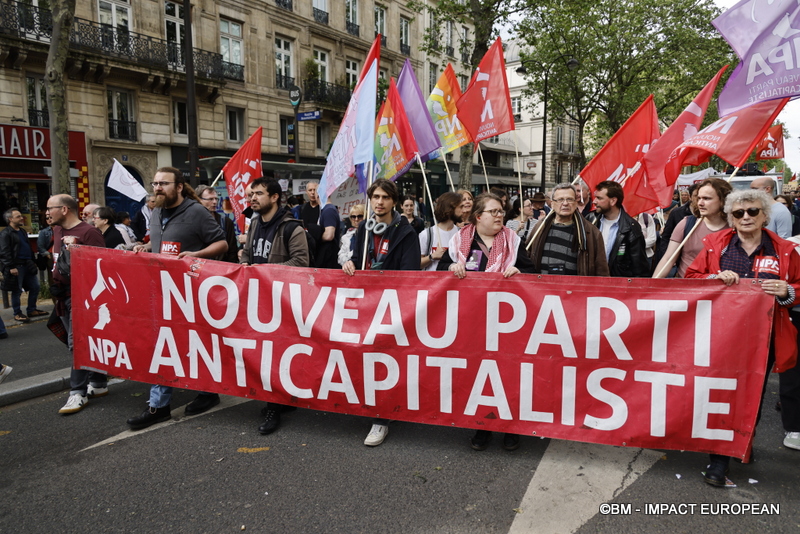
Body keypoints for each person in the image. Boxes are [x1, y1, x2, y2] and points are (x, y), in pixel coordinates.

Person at [685, 189, 800, 485]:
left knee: (752, 394)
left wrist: (787, 292)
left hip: (767, 336)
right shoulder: (717, 246)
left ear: (764, 216)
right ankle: (719, 458)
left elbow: (798, 286)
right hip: (722, 334)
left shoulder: (784, 250)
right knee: (722, 392)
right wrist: (714, 278)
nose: (746, 217)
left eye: (752, 212)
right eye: (738, 213)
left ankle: (740, 445)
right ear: (731, 218)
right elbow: (691, 279)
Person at [126, 167, 228, 430]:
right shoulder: (157, 212)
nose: (157, 188)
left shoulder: (196, 212)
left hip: (191, 294)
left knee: (196, 345)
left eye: (164, 183)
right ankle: (159, 406)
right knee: (164, 347)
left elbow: (222, 244)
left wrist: (197, 254)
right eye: (155, 183)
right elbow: (161, 244)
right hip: (162, 293)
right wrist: (145, 247)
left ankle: (206, 392)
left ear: (179, 186)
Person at [438, 193, 535, 451]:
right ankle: (482, 426)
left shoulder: (514, 241)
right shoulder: (460, 241)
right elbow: (441, 270)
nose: (499, 215)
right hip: (472, 322)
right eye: (493, 211)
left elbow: (533, 273)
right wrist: (450, 268)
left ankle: (511, 428)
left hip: (507, 323)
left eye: (501, 211)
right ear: (478, 217)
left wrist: (520, 272)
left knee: (508, 375)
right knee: (479, 375)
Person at [343, 178, 421, 446]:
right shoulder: (363, 228)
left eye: (385, 197)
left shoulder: (405, 232)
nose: (379, 202)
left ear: (394, 201)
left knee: (386, 360)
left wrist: (382, 278)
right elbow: (355, 257)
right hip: (365, 303)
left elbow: (410, 274)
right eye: (375, 196)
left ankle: (382, 418)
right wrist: (351, 264)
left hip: (391, 305)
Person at [240, 177, 310, 435]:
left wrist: (265, 271)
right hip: (259, 300)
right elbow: (247, 254)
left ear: (275, 197)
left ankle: (274, 406)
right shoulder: (255, 223)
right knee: (262, 351)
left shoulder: (292, 228)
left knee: (275, 354)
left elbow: (302, 264)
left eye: (258, 193)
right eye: (251, 194)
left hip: (283, 302)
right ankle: (280, 399)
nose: (252, 198)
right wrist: (247, 266)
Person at [47, 195, 106, 414]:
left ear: (64, 209)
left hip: (82, 298)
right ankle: (98, 384)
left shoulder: (88, 233)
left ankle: (77, 393)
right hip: (62, 296)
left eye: (49, 208)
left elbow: (102, 264)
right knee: (81, 342)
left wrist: (79, 248)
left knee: (78, 344)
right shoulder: (57, 231)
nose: (46, 212)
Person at [653, 178, 731, 279]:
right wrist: (651, 287)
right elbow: (668, 259)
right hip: (687, 290)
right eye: (699, 198)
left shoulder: (736, 228)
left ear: (723, 200)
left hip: (722, 291)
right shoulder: (687, 224)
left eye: (707, 198)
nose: (700, 203)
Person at [526, 184, 609, 276]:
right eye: (560, 199)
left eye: (569, 199)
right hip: (542, 287)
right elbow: (526, 259)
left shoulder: (591, 232)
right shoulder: (540, 227)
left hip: (575, 289)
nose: (565, 203)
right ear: (552, 203)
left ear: (576, 203)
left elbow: (602, 271)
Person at [592, 180, 649, 277]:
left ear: (613, 201)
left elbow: (639, 267)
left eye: (599, 198)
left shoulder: (631, 228)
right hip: (592, 283)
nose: (594, 201)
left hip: (618, 284)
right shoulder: (590, 220)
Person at [0, 209, 48, 322]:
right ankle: (17, 313)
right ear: (10, 219)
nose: (21, 218)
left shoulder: (21, 231)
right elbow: (4, 251)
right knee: (17, 290)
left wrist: (32, 260)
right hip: (17, 265)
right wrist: (11, 266)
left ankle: (31, 309)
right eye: (18, 216)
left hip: (27, 264)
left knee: (35, 287)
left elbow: (27, 247)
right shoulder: (6, 233)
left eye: (21, 216)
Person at [196, 184, 239, 263]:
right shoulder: (191, 221)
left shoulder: (226, 222)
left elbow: (232, 250)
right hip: (198, 266)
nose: (215, 202)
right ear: (199, 200)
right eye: (210, 199)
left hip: (221, 268)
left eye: (216, 199)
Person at [420, 192, 462, 271]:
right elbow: (416, 263)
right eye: (460, 207)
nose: (463, 210)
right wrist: (432, 256)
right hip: (431, 282)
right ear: (450, 208)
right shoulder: (427, 234)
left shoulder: (461, 234)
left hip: (455, 282)